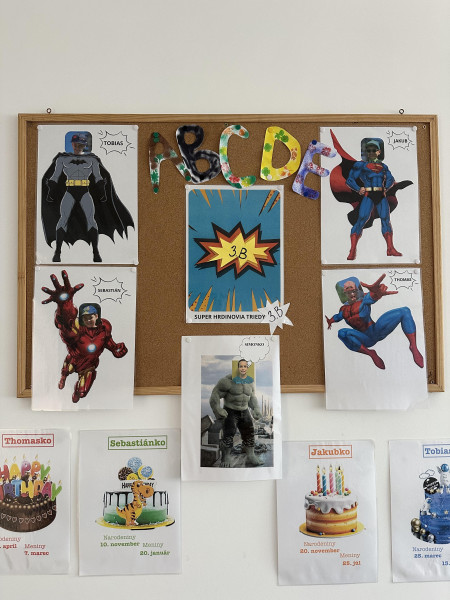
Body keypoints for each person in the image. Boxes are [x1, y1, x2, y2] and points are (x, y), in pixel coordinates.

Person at [41, 133, 134, 263]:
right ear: (72, 144)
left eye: (80, 145)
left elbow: (98, 177)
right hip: (70, 191)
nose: (77, 147)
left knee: (91, 220)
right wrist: (50, 190)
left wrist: (102, 191)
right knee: (63, 219)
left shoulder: (92, 160)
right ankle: (57, 252)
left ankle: (96, 252)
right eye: (76, 144)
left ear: (84, 146)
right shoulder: (62, 159)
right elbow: (55, 177)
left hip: (85, 191)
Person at [42, 270, 128, 403]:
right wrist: (65, 305)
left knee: (82, 392)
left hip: (89, 365)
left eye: (91, 317)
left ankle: (76, 391)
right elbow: (66, 325)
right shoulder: (78, 329)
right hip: (75, 359)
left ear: (97, 316)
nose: (88, 320)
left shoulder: (104, 327)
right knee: (67, 370)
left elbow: (109, 343)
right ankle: (63, 377)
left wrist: (117, 349)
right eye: (85, 318)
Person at [325, 274, 424, 370]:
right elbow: (337, 317)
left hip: (376, 331)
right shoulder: (343, 310)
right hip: (365, 339)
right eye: (348, 291)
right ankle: (371, 353)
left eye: (353, 290)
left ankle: (413, 346)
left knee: (405, 311)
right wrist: (330, 321)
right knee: (341, 333)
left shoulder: (363, 300)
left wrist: (377, 293)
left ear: (357, 290)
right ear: (344, 293)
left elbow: (371, 297)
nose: (352, 294)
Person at [345, 139, 402, 260]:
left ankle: (390, 248)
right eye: (368, 150)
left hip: (381, 195)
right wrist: (358, 188)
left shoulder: (384, 166)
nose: (370, 152)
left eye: (373, 150)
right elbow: (350, 180)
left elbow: (390, 178)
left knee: (386, 220)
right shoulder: (361, 165)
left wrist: (386, 187)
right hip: (368, 194)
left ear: (378, 152)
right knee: (362, 219)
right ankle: (352, 250)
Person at [209, 359, 263, 467]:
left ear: (247, 368)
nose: (243, 368)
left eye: (245, 366)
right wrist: (217, 409)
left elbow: (252, 397)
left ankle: (250, 455)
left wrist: (256, 408)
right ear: (237, 367)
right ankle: (226, 456)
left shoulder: (250, 382)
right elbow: (215, 394)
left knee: (249, 432)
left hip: (245, 410)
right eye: (241, 366)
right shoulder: (227, 381)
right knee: (229, 433)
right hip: (231, 410)